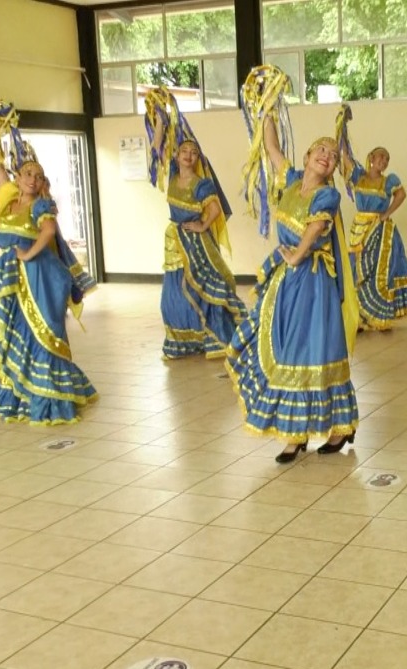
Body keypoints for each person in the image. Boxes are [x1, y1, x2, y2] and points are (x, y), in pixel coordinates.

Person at [230, 67, 359, 463]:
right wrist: (267, 106)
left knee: (313, 349)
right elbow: (270, 147)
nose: (326, 156)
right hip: (288, 280)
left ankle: (339, 428)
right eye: (321, 150)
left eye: (332, 156)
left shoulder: (328, 196)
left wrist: (299, 255)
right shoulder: (289, 181)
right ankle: (295, 432)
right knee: (286, 349)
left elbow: (317, 229)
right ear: (306, 156)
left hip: (313, 280)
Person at [0, 160, 96, 424]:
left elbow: (48, 231)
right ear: (18, 176)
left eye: (38, 176)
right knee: (6, 333)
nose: (33, 180)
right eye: (27, 174)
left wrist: (27, 254)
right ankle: (12, 396)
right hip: (8, 281)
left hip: (37, 277)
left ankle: (44, 396)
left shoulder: (41, 206)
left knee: (39, 334)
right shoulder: (8, 201)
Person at [146, 101, 245, 359]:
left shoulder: (202, 185)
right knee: (174, 291)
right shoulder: (171, 177)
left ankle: (212, 338)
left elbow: (214, 209)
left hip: (196, 243)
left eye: (193, 152)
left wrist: (201, 225)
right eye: (184, 151)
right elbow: (157, 148)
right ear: (177, 156)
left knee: (203, 288)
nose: (188, 155)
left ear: (198, 158)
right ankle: (184, 340)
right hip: (174, 241)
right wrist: (159, 118)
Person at [336, 106, 407, 330]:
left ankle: (379, 314)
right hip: (360, 229)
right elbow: (343, 155)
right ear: (371, 158)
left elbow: (402, 194)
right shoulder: (358, 176)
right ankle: (358, 315)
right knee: (357, 270)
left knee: (379, 270)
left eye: (387, 159)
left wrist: (386, 214)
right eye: (381, 157)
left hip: (380, 230)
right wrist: (341, 125)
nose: (384, 161)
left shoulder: (390, 180)